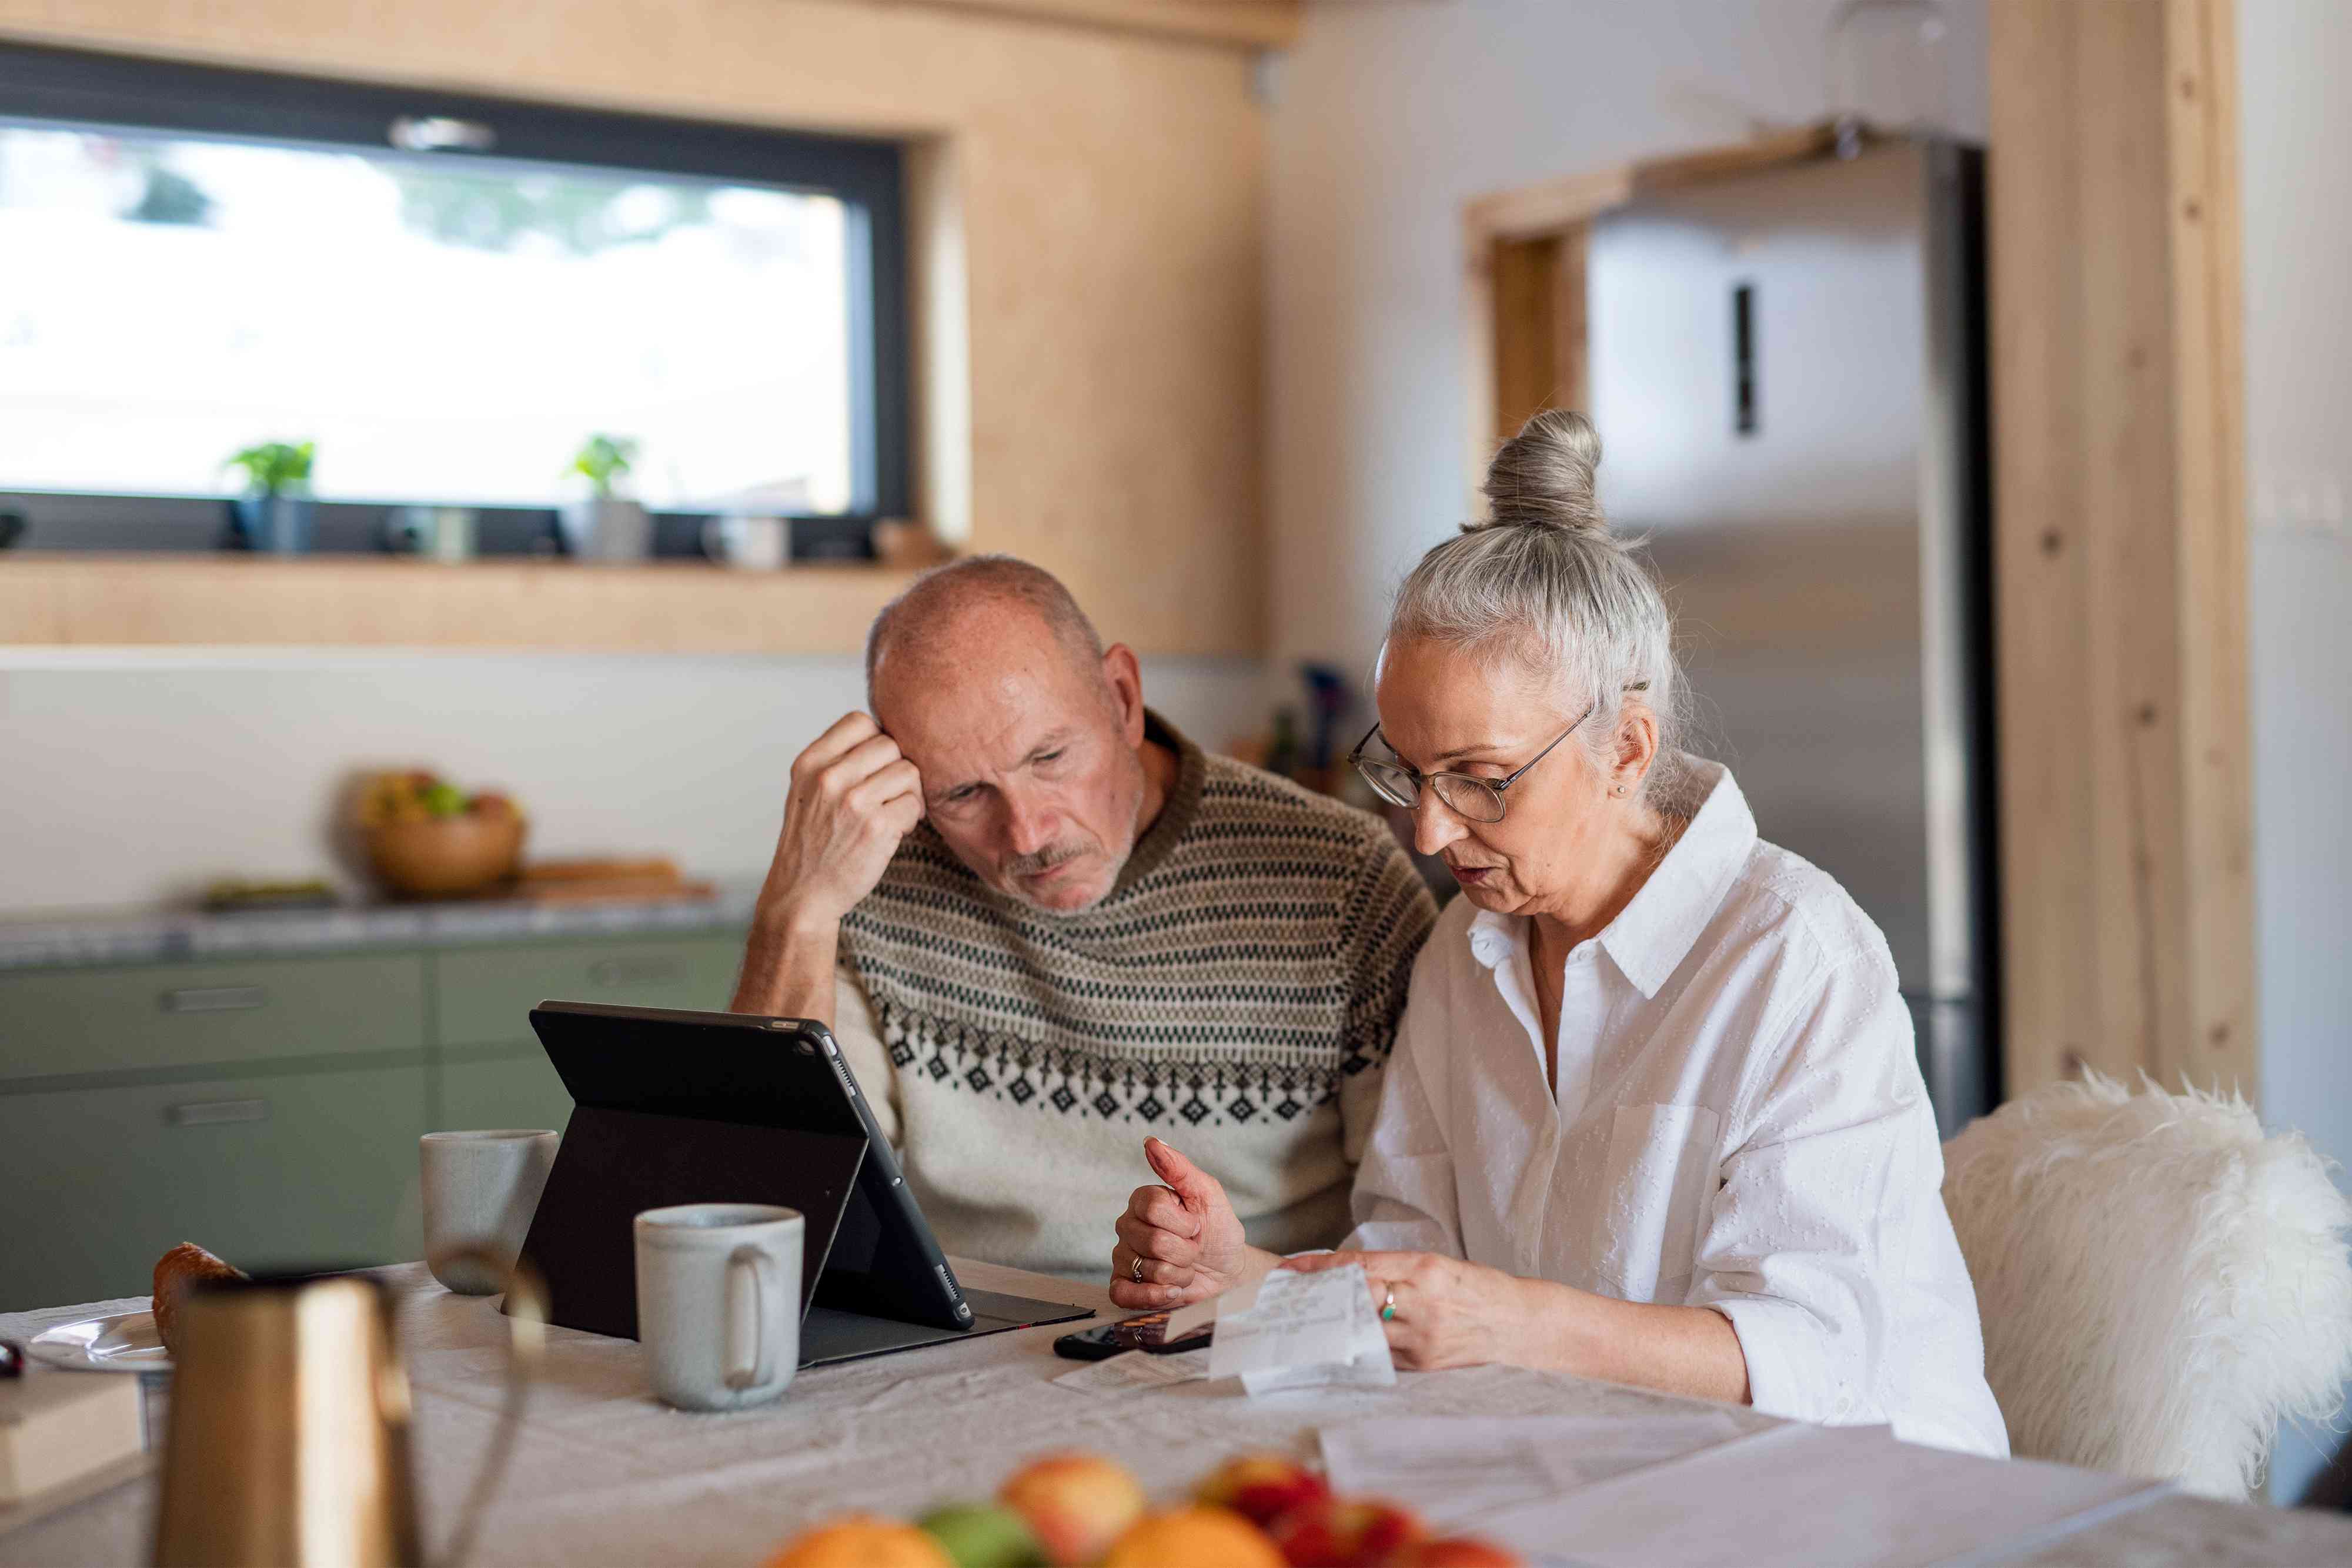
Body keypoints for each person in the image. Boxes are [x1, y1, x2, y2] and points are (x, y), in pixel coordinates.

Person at [1107, 412, 2009, 1456]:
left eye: (1482, 781)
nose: (1433, 830)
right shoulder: (1467, 952)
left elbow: (1816, 1356)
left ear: (1624, 748)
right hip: (1589, 1466)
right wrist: (1244, 1281)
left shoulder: (1795, 959)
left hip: (1860, 1500)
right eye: (1406, 770)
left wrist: (1512, 1322)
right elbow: (1412, 1281)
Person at [732, 555, 1437, 1278]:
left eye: (1050, 757)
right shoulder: (872, 872)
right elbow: (770, 1208)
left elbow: (1421, 1237)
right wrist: (798, 908)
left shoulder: (1342, 876)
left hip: (1248, 1338)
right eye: (964, 794)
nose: (1029, 835)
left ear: (1123, 698)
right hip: (963, 1343)